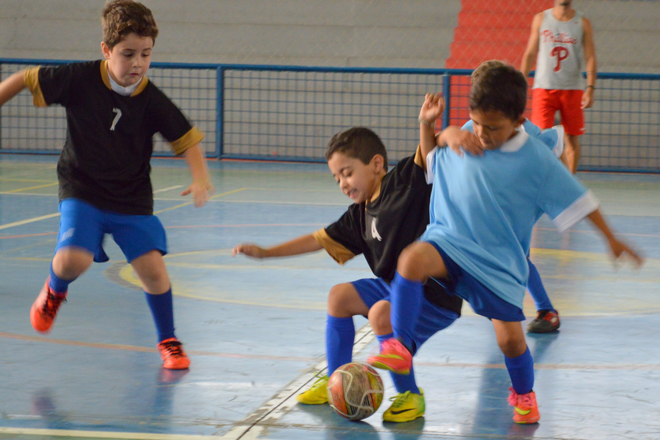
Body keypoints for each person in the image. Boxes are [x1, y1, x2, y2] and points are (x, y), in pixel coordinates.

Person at [368, 62, 643, 424]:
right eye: (476, 122)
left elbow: (580, 199)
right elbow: (431, 162)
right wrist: (442, 130)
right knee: (411, 259)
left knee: (510, 341)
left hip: (497, 264)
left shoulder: (537, 161)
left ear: (517, 121)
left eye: (492, 127)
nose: (481, 134)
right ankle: (401, 346)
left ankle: (525, 396)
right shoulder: (466, 134)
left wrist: (611, 238)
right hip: (450, 242)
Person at [0, 0, 213, 370]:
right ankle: (54, 291)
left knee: (153, 271)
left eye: (146, 54)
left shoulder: (152, 99)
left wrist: (200, 177)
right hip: (82, 189)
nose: (138, 63)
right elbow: (25, 78)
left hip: (131, 198)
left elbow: (186, 139)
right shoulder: (79, 78)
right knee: (72, 261)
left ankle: (169, 340)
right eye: (128, 54)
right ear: (106, 50)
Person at [232, 125, 463, 423]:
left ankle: (411, 395)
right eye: (337, 178)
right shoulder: (359, 215)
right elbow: (317, 240)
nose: (342, 183)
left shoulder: (404, 183)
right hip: (393, 287)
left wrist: (426, 122)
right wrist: (266, 253)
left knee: (380, 313)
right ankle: (335, 380)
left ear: (376, 164)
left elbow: (428, 150)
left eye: (347, 173)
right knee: (339, 296)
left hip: (433, 294)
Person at [469, 60, 564, 333]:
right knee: (515, 255)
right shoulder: (481, 126)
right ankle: (540, 309)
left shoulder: (523, 132)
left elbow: (554, 147)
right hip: (505, 199)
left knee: (514, 255)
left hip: (523, 198)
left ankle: (542, 310)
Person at [521, 0, 597, 174]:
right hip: (544, 87)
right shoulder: (541, 19)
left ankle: (569, 181)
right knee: (540, 137)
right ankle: (543, 179)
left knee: (571, 138)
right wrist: (521, 81)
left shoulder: (583, 23)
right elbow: (530, 53)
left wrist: (590, 88)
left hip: (572, 88)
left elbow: (590, 57)